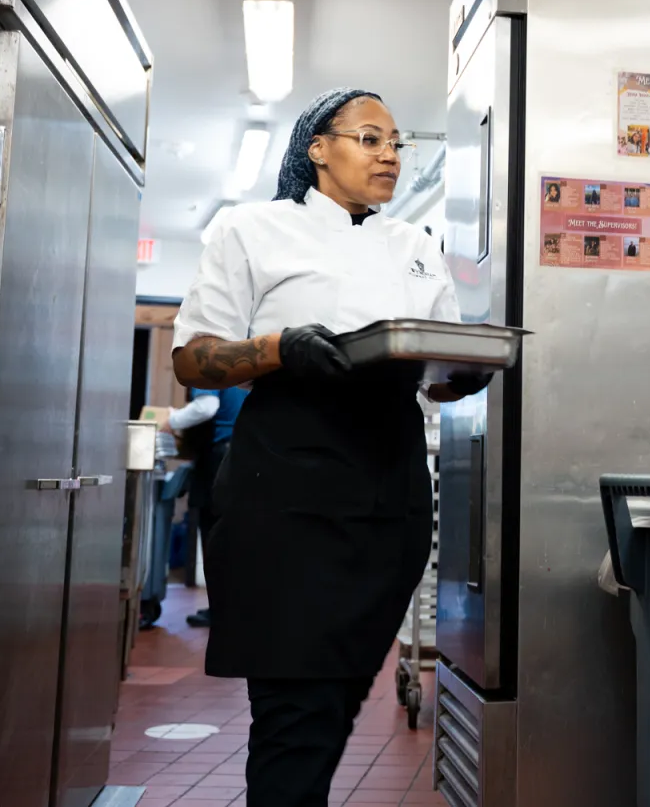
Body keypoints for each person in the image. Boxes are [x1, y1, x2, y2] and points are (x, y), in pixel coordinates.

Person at [171, 88, 487, 807]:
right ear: (317, 146)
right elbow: (193, 359)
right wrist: (279, 348)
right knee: (296, 706)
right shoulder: (251, 231)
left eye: (398, 144)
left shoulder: (413, 246)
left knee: (334, 702)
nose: (390, 157)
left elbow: (437, 364)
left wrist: (456, 377)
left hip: (390, 490)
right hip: (286, 486)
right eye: (370, 139)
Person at [182, 385, 249, 628]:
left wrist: (170, 419)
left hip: (218, 457)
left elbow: (206, 407)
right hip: (248, 455)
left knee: (214, 534)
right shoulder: (251, 362)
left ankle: (220, 610)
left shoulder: (208, 364)